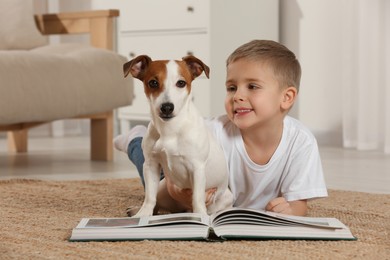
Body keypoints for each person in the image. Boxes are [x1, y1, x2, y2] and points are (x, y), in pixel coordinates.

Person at [114, 40, 328, 216]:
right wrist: (175, 191)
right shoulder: (212, 130)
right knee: (154, 168)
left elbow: (299, 204)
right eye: (231, 88)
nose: (238, 96)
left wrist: (290, 211)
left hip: (219, 201)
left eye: (252, 86)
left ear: (286, 97)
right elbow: (172, 172)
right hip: (179, 175)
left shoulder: (301, 142)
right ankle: (137, 140)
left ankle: (136, 138)